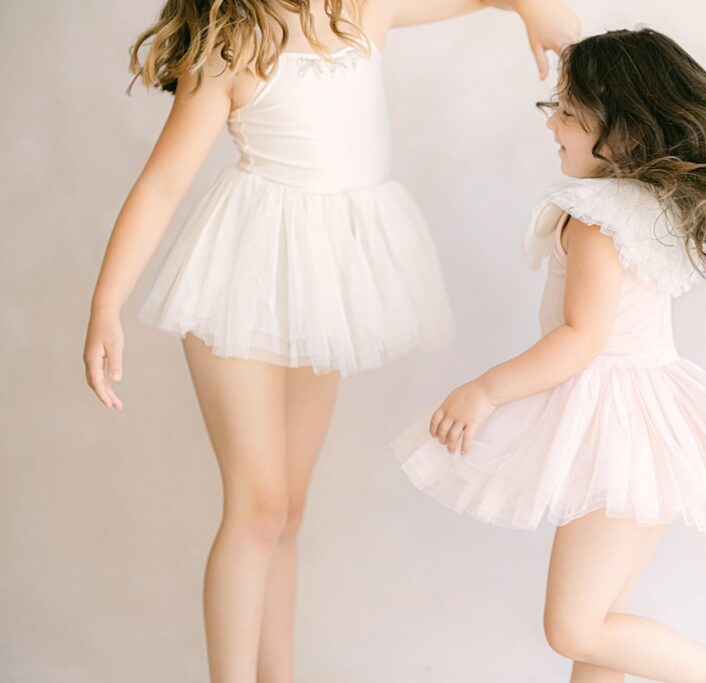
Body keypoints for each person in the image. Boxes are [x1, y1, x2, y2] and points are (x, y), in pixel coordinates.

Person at [82, 1, 579, 680]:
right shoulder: (233, 48)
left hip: (324, 283)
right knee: (258, 506)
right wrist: (106, 305)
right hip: (242, 281)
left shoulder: (361, 11)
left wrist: (530, 8)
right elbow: (163, 184)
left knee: (287, 510)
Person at [393, 27, 706, 683]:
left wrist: (487, 390)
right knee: (600, 625)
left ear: (624, 131)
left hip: (617, 426)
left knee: (575, 627)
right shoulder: (647, 206)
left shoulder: (597, 217)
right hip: (643, 422)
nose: (551, 125)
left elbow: (582, 338)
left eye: (567, 112)